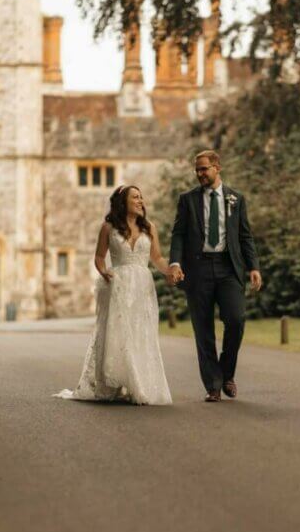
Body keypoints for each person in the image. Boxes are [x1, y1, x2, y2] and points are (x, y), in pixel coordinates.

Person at [55, 185, 173, 405]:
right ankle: (118, 382)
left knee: (140, 332)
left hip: (142, 286)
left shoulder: (149, 228)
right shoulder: (108, 227)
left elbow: (157, 258)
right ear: (123, 202)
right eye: (135, 197)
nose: (140, 201)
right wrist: (104, 272)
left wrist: (170, 270)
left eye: (141, 197)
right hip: (118, 285)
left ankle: (138, 384)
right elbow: (99, 257)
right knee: (119, 333)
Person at [168, 150, 262, 402]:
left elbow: (245, 236)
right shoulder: (187, 200)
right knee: (203, 329)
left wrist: (253, 267)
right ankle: (213, 385)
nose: (200, 174)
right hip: (198, 270)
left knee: (236, 319)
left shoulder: (236, 199)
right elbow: (178, 234)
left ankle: (226, 372)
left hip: (228, 268)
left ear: (217, 167)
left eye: (204, 169)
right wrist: (175, 263)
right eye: (197, 170)